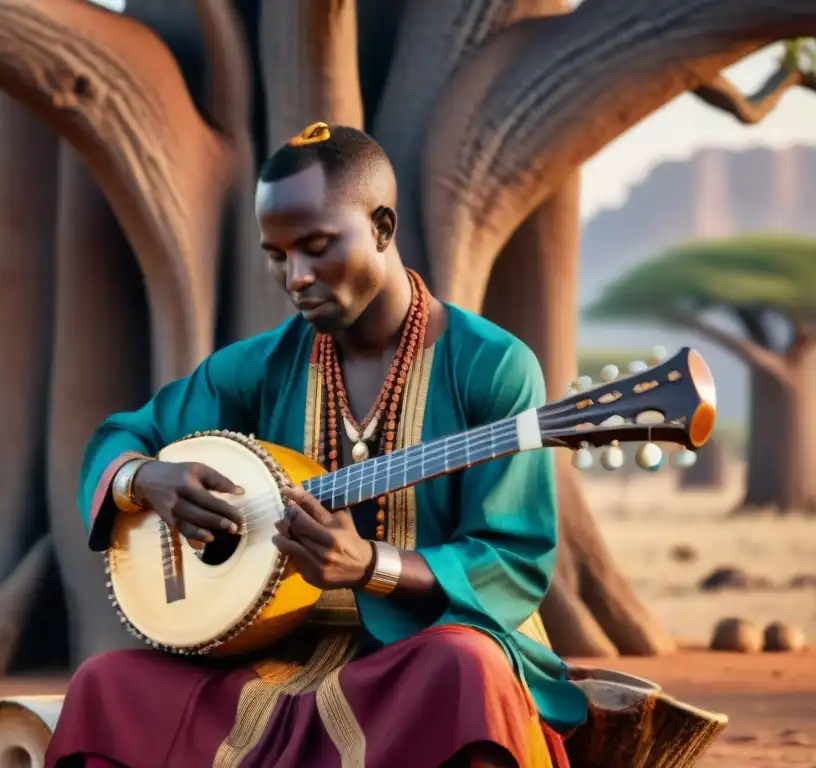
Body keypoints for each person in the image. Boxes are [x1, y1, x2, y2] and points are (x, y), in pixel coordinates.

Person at [45, 121, 587, 768]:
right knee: (105, 683)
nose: (296, 277)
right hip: (275, 655)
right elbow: (124, 438)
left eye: (317, 246)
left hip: (417, 657)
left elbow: (513, 560)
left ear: (382, 228)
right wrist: (145, 481)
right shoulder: (261, 366)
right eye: (276, 255)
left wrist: (371, 567)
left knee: (466, 667)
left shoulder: (489, 365)